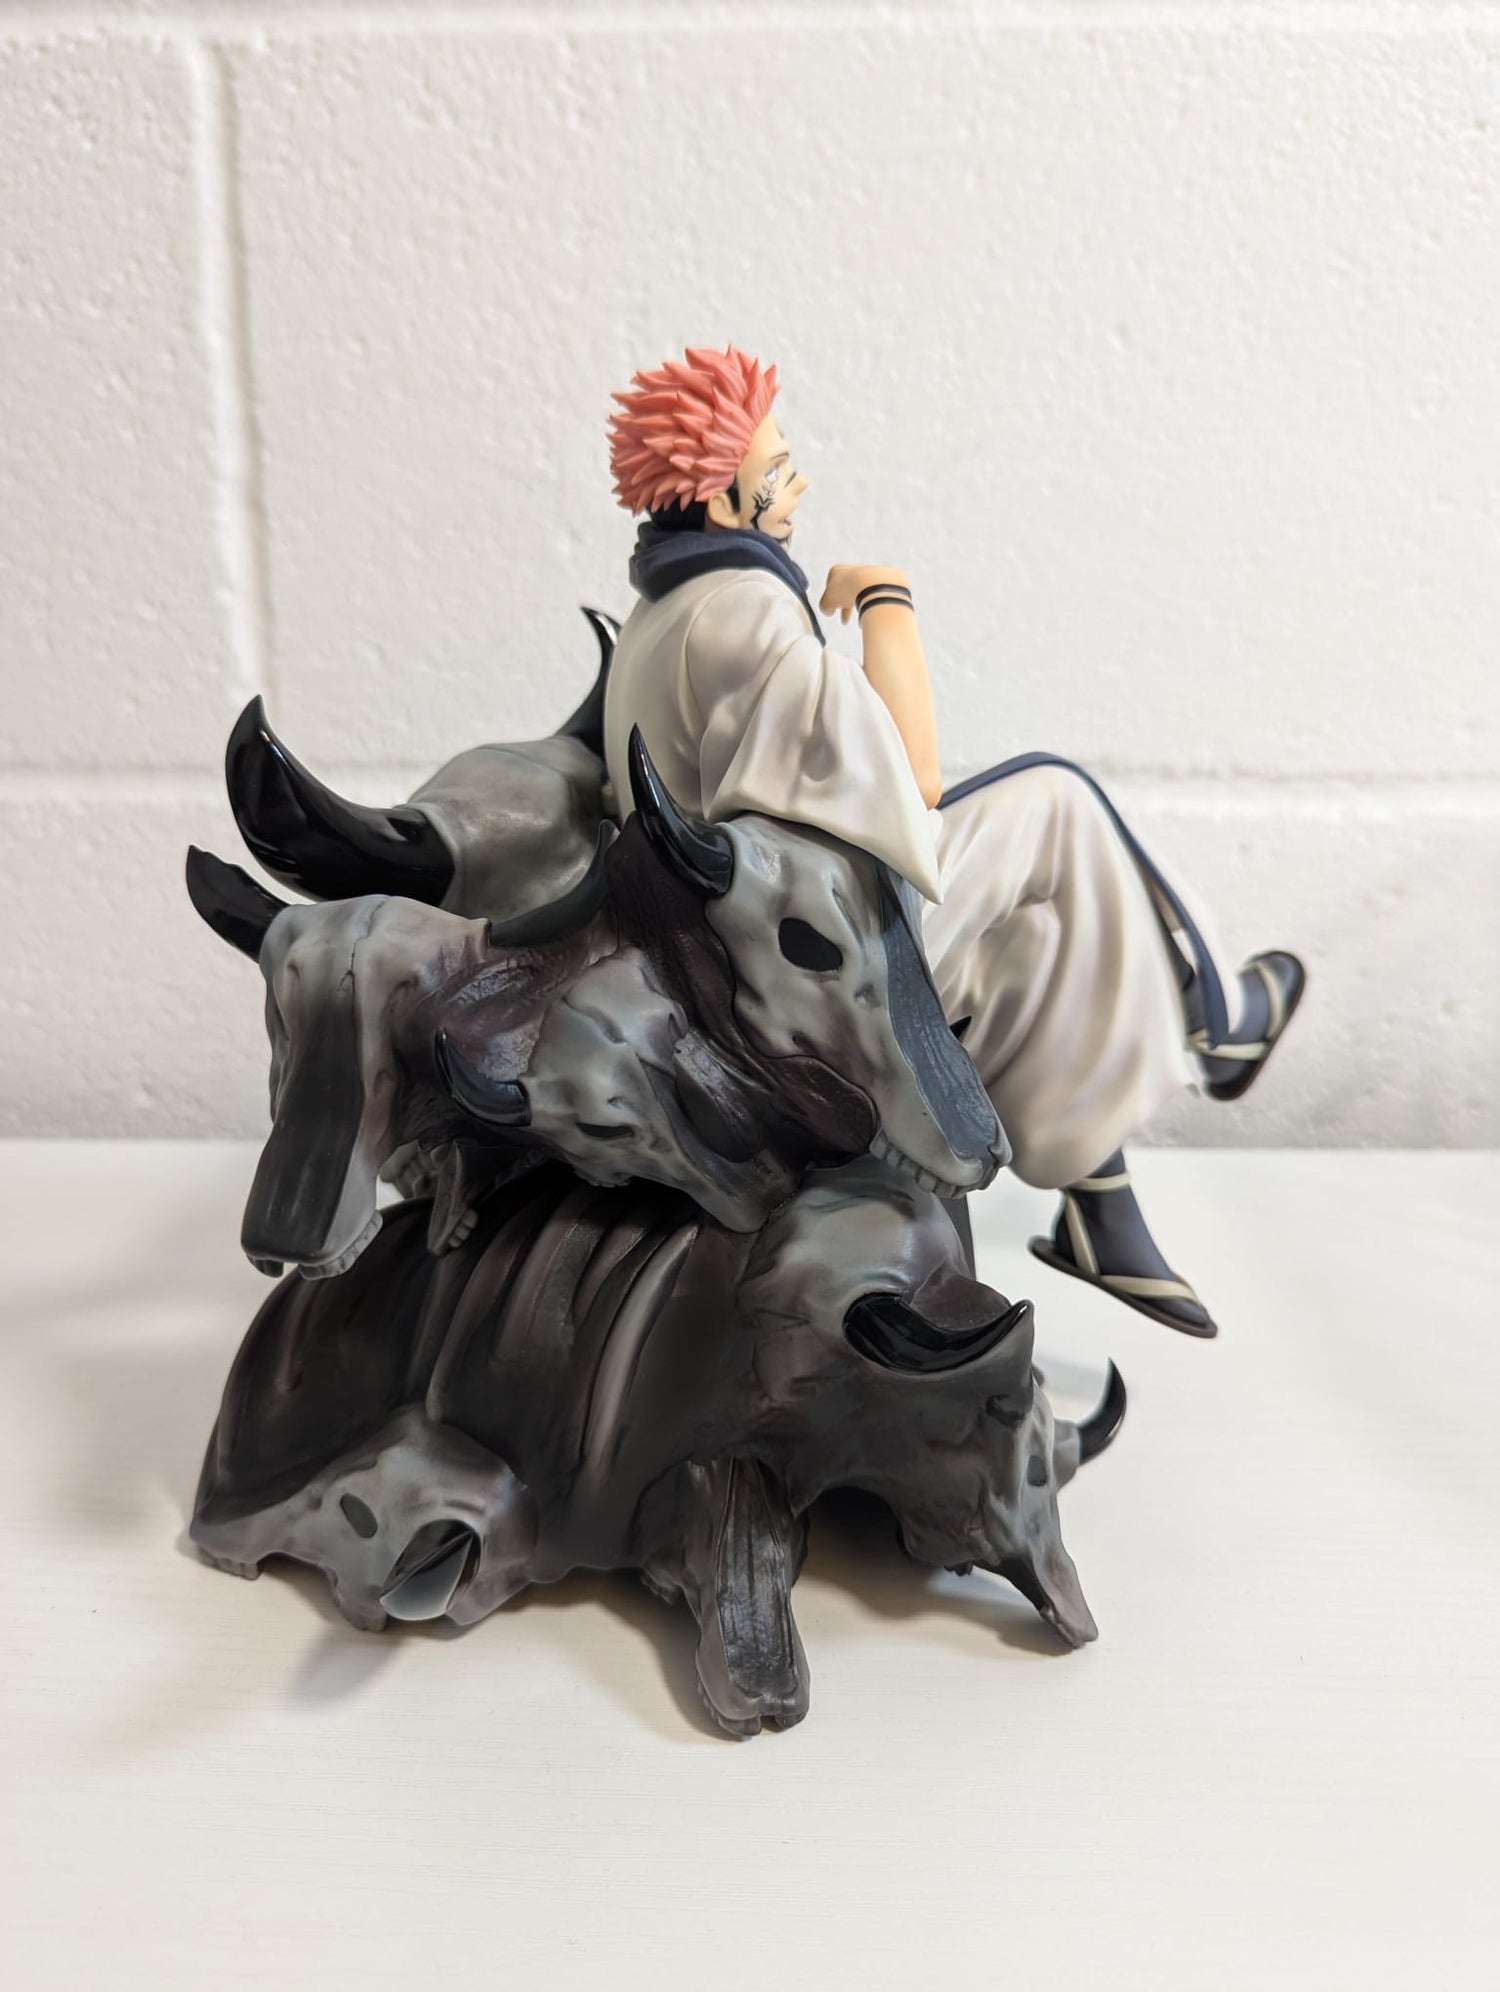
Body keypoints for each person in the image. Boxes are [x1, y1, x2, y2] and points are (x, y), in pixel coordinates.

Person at [601, 346, 1304, 1335]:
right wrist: (887, 601)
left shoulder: (663, 606)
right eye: (780, 470)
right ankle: (1218, 1020)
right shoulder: (743, 613)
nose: (798, 486)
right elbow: (911, 775)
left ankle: (1103, 1209)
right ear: (723, 502)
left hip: (751, 940)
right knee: (1055, 798)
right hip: (792, 963)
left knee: (1039, 946)